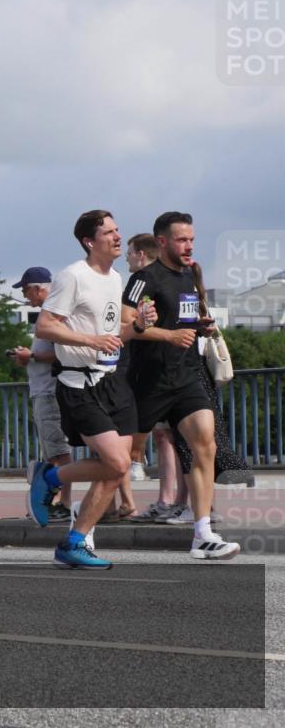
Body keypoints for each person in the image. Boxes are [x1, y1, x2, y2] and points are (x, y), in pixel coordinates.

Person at [27, 210, 156, 569]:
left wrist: (139, 326)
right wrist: (91, 340)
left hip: (112, 382)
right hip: (78, 383)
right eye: (109, 232)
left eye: (118, 230)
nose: (117, 237)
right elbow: (45, 327)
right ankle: (49, 477)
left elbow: (115, 337)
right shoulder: (73, 276)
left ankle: (73, 543)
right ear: (89, 241)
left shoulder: (115, 278)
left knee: (117, 469)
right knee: (116, 462)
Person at [121, 212, 239, 560]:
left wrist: (201, 325)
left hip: (186, 377)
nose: (189, 246)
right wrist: (168, 335)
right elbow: (125, 324)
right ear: (162, 242)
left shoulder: (189, 274)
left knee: (205, 444)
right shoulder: (144, 278)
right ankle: (72, 513)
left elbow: (184, 317)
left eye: (191, 239)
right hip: (148, 382)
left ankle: (202, 533)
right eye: (182, 240)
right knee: (119, 461)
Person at [169, 260, 255, 492]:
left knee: (190, 439)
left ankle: (201, 497)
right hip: (201, 371)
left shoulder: (185, 296)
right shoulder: (199, 298)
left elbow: (186, 331)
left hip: (189, 369)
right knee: (207, 433)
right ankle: (223, 478)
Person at [124, 233, 184, 522]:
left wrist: (164, 335)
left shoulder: (143, 279)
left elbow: (127, 320)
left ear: (140, 254)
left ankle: (167, 500)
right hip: (178, 367)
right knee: (170, 437)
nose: (126, 259)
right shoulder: (178, 276)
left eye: (129, 253)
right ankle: (174, 501)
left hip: (154, 370)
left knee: (133, 437)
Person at [9, 267, 72, 522]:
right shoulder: (50, 313)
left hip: (49, 391)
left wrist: (32, 356)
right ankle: (55, 500)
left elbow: (62, 353)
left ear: (38, 288)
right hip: (44, 390)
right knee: (53, 450)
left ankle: (64, 502)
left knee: (59, 451)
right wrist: (29, 357)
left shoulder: (54, 315)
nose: (25, 296)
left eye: (26, 291)